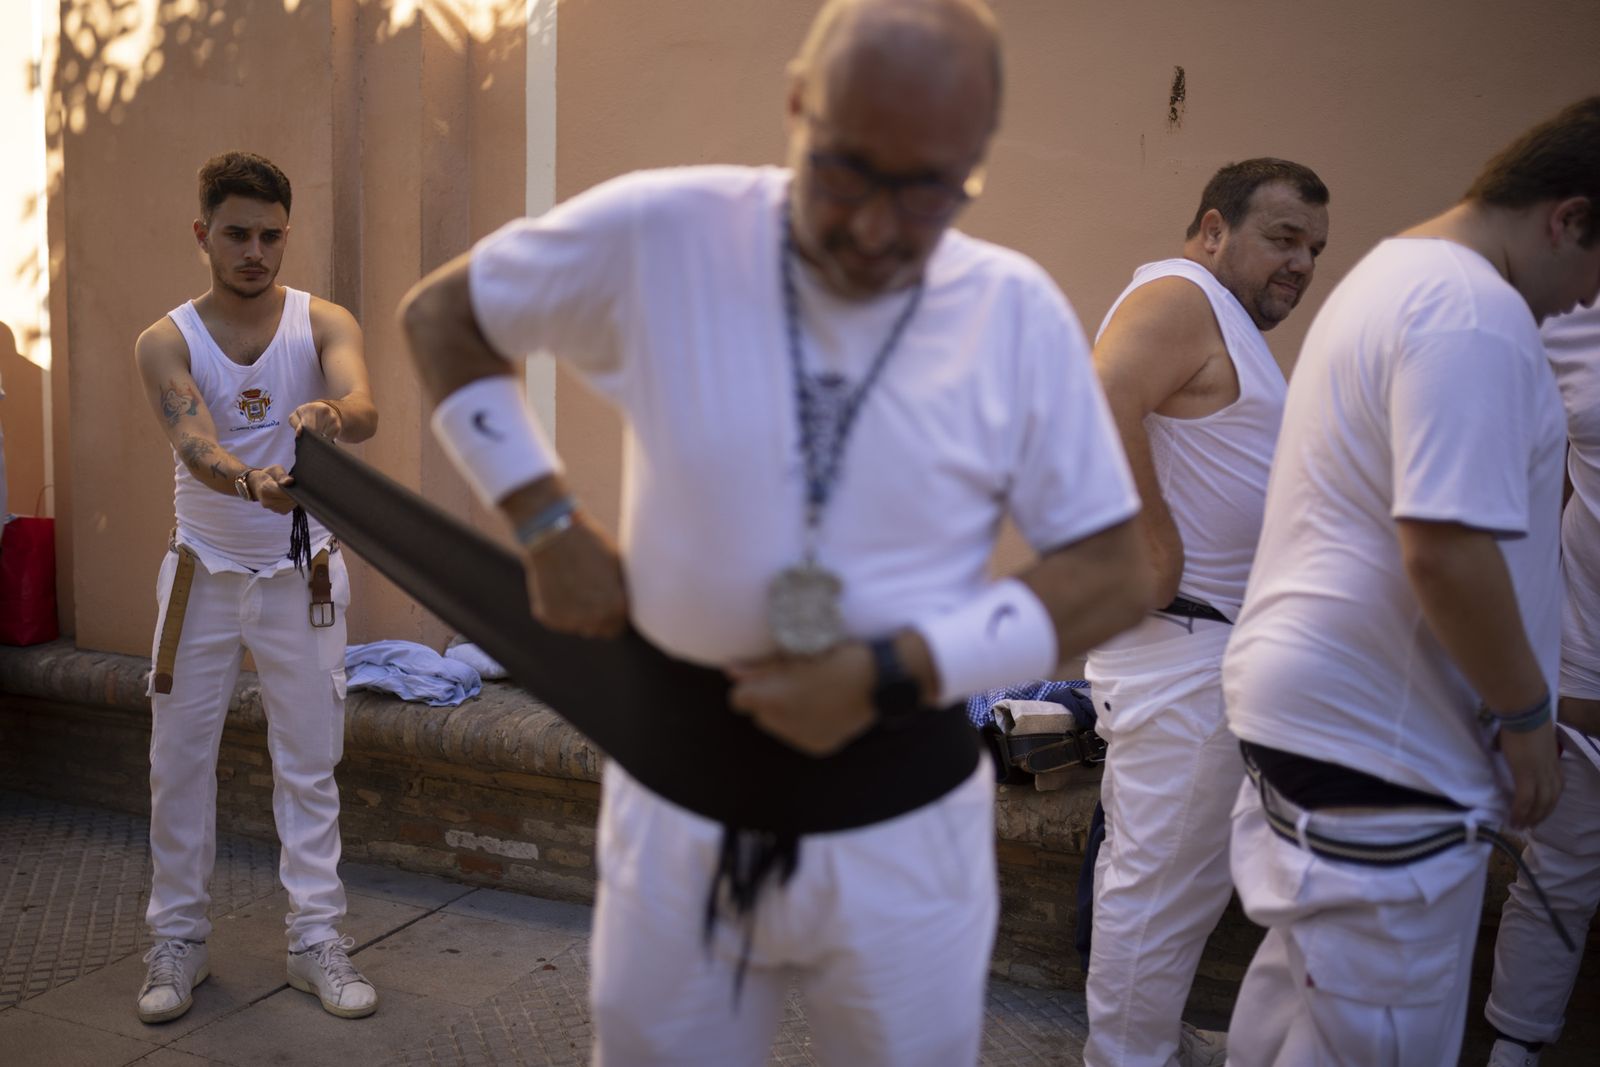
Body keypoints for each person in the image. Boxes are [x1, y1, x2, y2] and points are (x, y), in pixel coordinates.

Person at [399, 1, 1151, 1061]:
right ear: (797, 106)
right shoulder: (664, 231)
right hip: (679, 799)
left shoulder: (1011, 310)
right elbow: (444, 317)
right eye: (846, 171)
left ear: (975, 158)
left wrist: (892, 668)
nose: (880, 228)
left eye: (930, 188)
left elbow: (1116, 568)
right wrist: (544, 516)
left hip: (903, 821)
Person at [1221, 96, 1600, 1066]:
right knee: (1375, 1033)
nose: (1582, 304)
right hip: (1378, 750)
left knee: (1294, 994)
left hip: (1319, 725)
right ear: (1567, 217)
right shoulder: (1470, 311)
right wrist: (1524, 720)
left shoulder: (1393, 275)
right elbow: (1445, 545)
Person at [1083, 158, 1329, 1067]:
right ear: (1215, 228)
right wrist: (1153, 547)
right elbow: (1098, 394)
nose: (1301, 263)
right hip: (1185, 646)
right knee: (1155, 891)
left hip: (1205, 648)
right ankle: (1127, 1055)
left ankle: (1144, 1037)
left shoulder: (1217, 318)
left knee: (1158, 883)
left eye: (1314, 249)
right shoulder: (1185, 291)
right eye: (1283, 238)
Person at [131, 151, 380, 1023]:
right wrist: (247, 481)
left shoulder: (321, 322)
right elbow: (193, 442)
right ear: (203, 233)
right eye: (237, 233)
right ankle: (179, 943)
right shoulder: (166, 338)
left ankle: (317, 939)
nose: (255, 252)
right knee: (178, 763)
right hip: (200, 572)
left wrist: (327, 415)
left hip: (301, 576)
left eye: (271, 235)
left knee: (310, 765)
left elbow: (364, 403)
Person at [1483, 301, 1600, 1067]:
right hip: (1578, 664)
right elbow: (1540, 479)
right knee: (1555, 873)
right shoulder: (1573, 313)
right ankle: (1511, 1052)